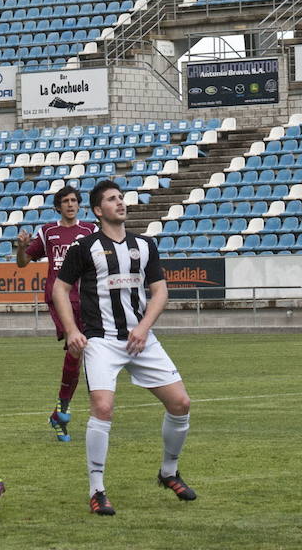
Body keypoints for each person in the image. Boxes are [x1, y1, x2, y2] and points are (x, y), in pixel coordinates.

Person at [53, 180, 196, 516]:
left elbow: (159, 291)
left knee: (181, 403)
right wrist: (72, 330)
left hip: (140, 339)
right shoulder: (83, 248)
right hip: (101, 340)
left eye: (121, 198)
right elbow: (61, 290)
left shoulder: (145, 245)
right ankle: (97, 490)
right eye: (112, 200)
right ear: (98, 210)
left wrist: (144, 329)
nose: (120, 203)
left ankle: (169, 472)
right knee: (102, 407)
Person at [16, 186, 98, 442]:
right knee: (78, 347)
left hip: (87, 298)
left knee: (86, 351)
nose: (71, 204)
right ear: (58, 206)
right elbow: (22, 263)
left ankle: (60, 413)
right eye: (66, 201)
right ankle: (63, 411)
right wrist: (22, 247)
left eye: (74, 200)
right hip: (60, 297)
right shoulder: (48, 231)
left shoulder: (90, 230)